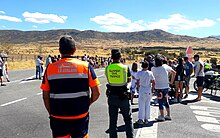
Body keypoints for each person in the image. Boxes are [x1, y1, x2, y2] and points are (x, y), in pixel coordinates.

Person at [41, 35, 100, 138]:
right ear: (75, 50)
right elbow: (96, 92)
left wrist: (51, 112)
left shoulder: (50, 68)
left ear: (60, 50)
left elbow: (45, 96)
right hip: (80, 116)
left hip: (58, 117)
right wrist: (87, 104)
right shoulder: (85, 66)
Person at [105, 48, 134, 138]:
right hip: (123, 96)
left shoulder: (107, 68)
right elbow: (129, 80)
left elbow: (109, 80)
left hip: (112, 95)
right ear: (120, 57)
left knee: (113, 121)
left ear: (111, 57)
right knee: (128, 119)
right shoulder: (125, 67)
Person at [152, 56, 174, 121]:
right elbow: (174, 72)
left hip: (158, 87)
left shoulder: (153, 69)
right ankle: (168, 115)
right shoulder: (165, 67)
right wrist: (171, 81)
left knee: (160, 102)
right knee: (166, 101)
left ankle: (162, 115)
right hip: (166, 86)